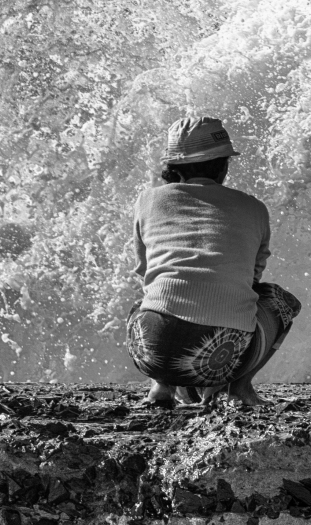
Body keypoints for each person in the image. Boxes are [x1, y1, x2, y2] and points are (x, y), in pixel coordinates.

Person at [128, 115, 300, 409]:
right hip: (224, 356)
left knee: (147, 298)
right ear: (223, 165)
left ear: (173, 166)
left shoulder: (147, 200)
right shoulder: (254, 208)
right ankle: (239, 389)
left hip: (150, 351)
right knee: (282, 301)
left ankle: (160, 386)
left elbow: (144, 271)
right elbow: (252, 280)